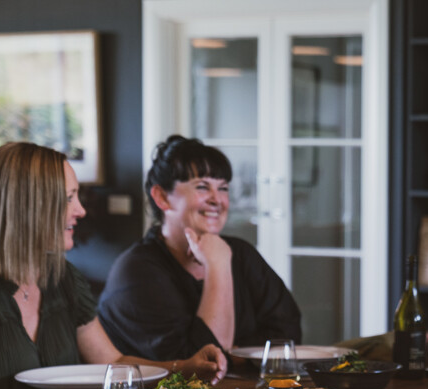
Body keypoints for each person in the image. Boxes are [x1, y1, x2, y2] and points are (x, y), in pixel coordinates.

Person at [0, 142, 227, 389]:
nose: (80, 210)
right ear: (25, 207)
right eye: (69, 198)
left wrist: (185, 367)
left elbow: (113, 362)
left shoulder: (62, 277)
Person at [97, 135, 301, 361]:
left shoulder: (242, 254)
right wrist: (218, 265)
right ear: (162, 197)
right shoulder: (136, 271)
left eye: (223, 188)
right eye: (202, 187)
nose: (217, 200)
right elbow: (202, 366)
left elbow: (288, 335)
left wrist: (235, 354)